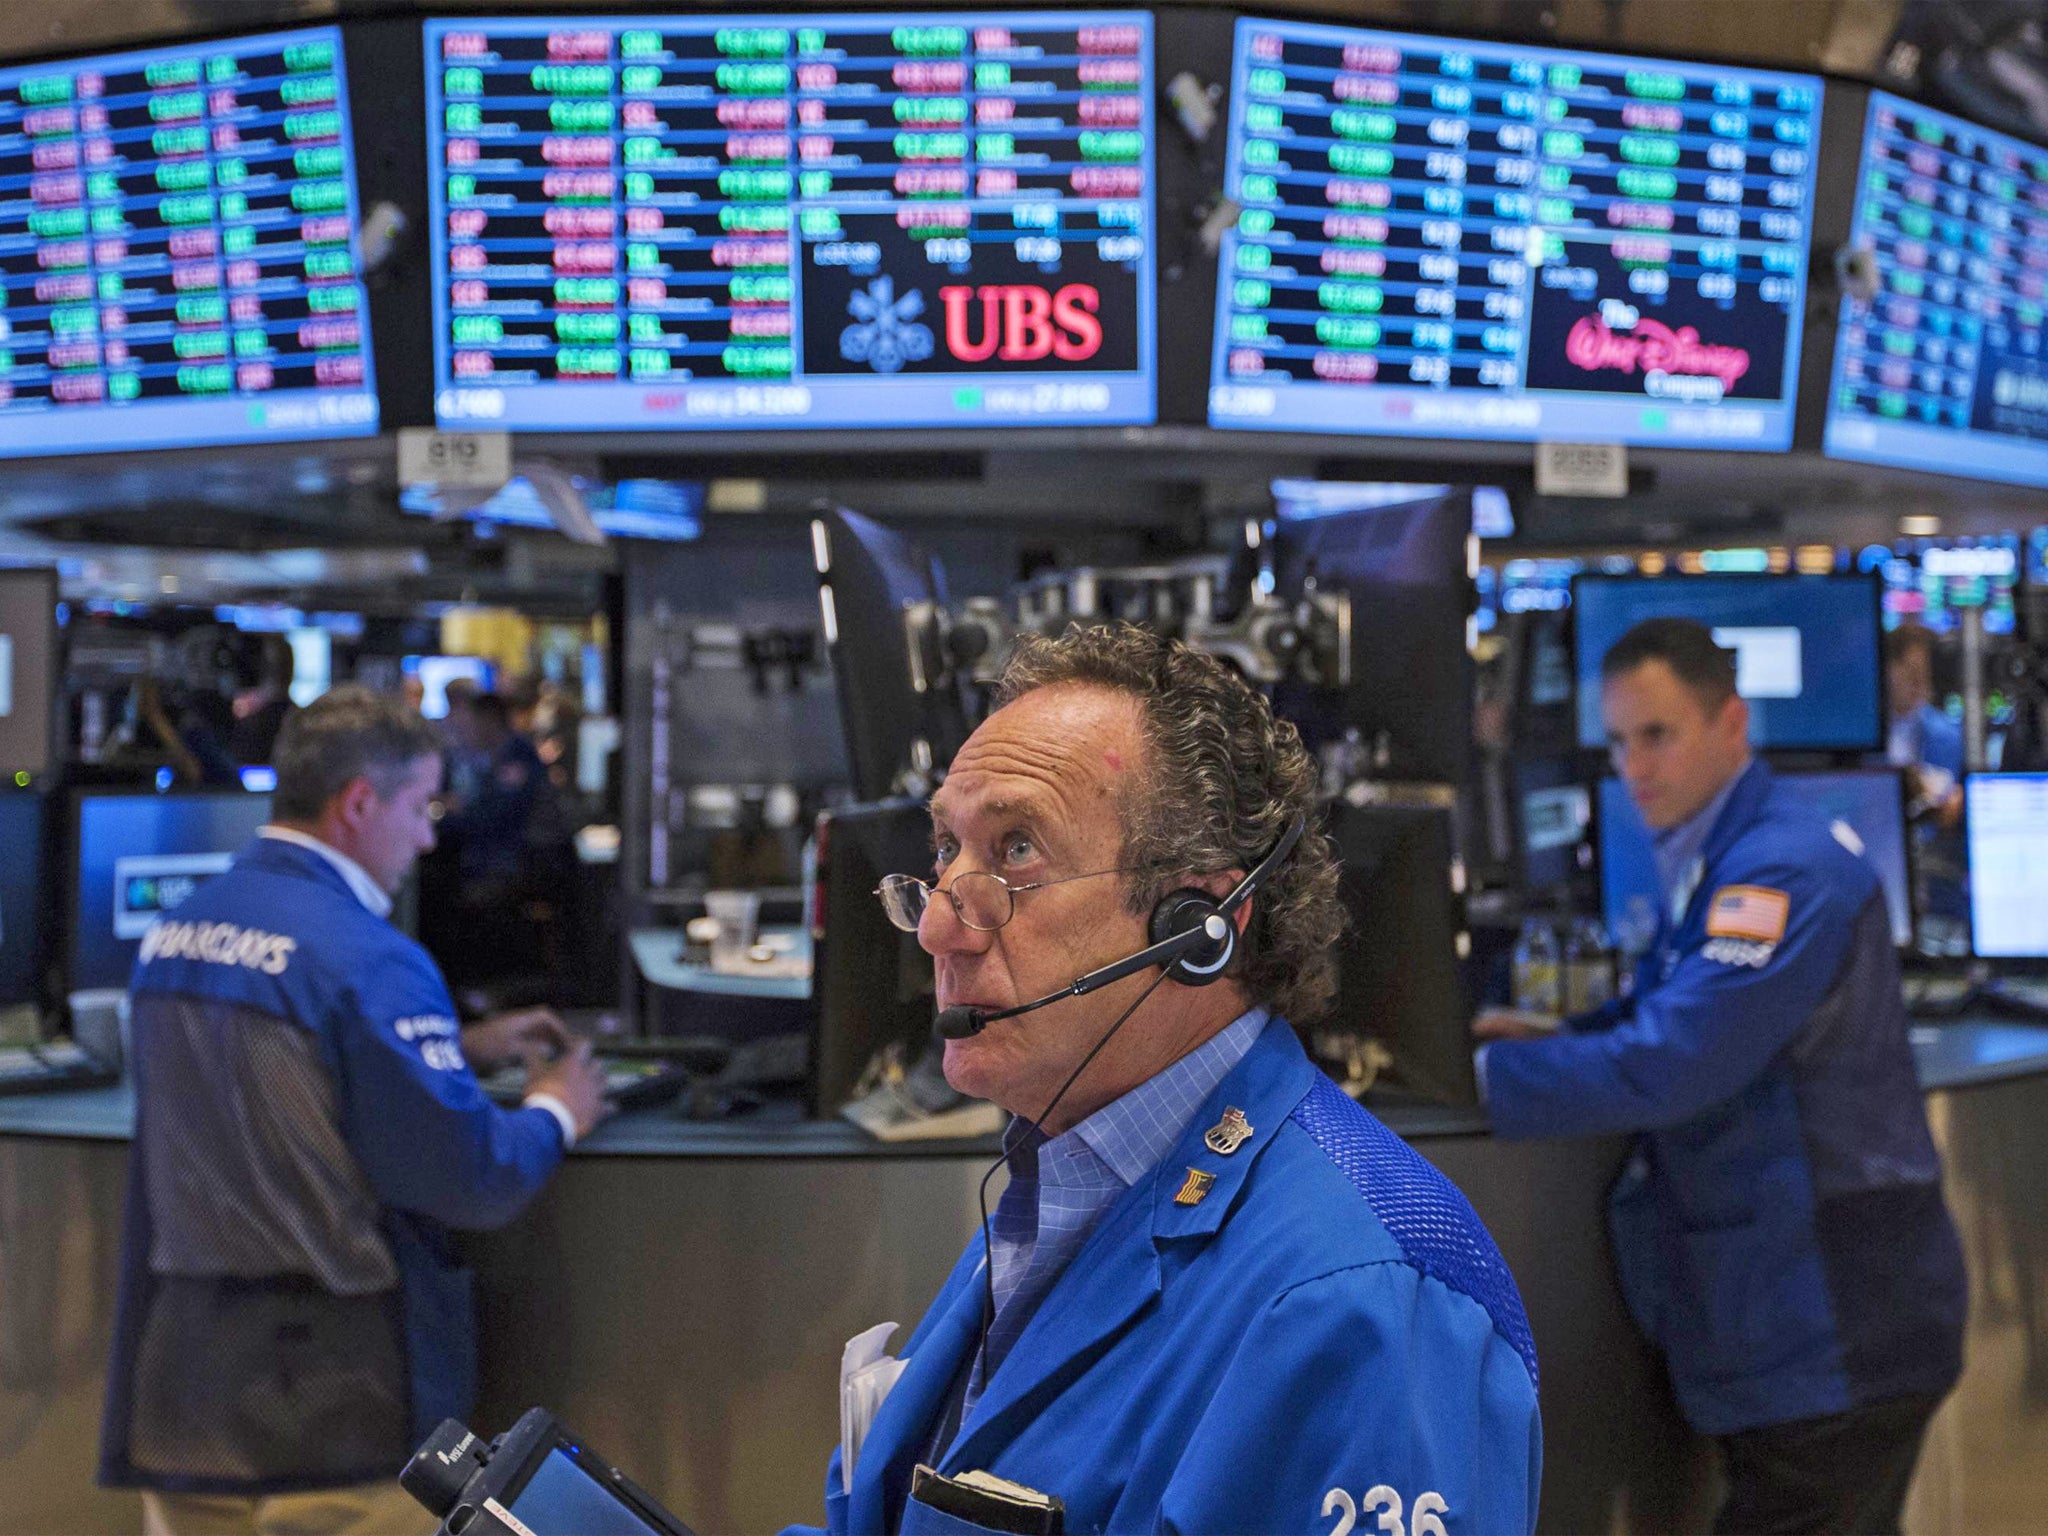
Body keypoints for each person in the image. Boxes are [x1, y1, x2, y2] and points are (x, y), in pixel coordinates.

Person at [790, 625, 1541, 1534]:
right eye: (948, 849)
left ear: (1199, 925)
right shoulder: (1072, 1169)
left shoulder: (1363, 1299)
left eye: (1017, 851)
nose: (940, 926)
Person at [1475, 618, 1966, 1536]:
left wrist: (1486, 1078)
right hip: (1802, 1331)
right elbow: (1674, 1009)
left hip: (1835, 1330)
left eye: (1657, 734)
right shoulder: (1729, 854)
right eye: (1619, 741)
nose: (1633, 766)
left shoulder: (1779, 868)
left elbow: (1674, 1062)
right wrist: (1553, 1035)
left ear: (1733, 723)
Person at [99, 686, 610, 1536]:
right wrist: (557, 1110)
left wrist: (456, 1043)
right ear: (360, 803)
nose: (428, 834)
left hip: (186, 1383)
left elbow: (273, 1079)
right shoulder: (370, 957)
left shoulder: (178, 930)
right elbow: (470, 1176)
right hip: (332, 1397)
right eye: (420, 806)